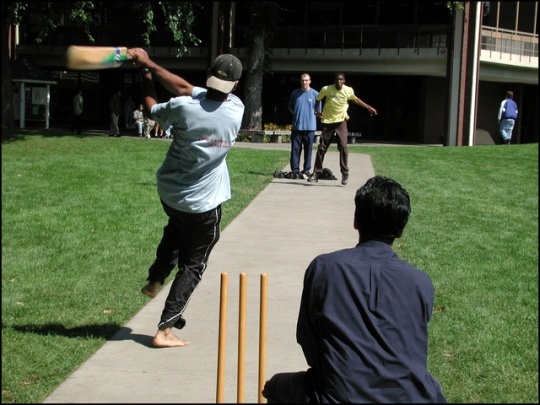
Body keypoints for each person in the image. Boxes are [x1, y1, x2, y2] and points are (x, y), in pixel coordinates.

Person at [262, 175, 447, 403]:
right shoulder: (420, 282)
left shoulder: (324, 268)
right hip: (410, 397)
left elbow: (307, 339)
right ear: (401, 231)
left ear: (356, 220)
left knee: (276, 387)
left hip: (339, 396)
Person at [128, 48, 244, 348]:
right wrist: (150, 65)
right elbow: (183, 86)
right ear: (235, 86)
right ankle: (165, 329)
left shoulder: (183, 107)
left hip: (171, 194)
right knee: (194, 264)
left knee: (177, 229)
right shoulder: (236, 109)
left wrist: (146, 73)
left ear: (209, 78)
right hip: (204, 204)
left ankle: (155, 279)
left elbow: (155, 106)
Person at [308, 72, 377, 185]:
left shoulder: (348, 90)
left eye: (341, 80)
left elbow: (355, 99)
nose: (339, 82)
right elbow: (318, 99)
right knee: (322, 148)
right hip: (328, 122)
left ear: (344, 81)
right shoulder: (326, 89)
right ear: (334, 80)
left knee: (343, 146)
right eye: (337, 80)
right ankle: (316, 173)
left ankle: (345, 173)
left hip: (341, 121)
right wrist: (316, 111)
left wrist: (368, 107)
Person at [288, 73, 321, 179]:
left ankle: (306, 170)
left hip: (310, 127)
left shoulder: (316, 94)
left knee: (308, 150)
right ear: (300, 81)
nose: (304, 82)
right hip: (297, 127)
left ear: (310, 81)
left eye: (306, 80)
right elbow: (291, 108)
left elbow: (318, 111)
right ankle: (295, 170)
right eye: (302, 80)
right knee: (295, 150)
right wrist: (298, 116)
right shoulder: (295, 93)